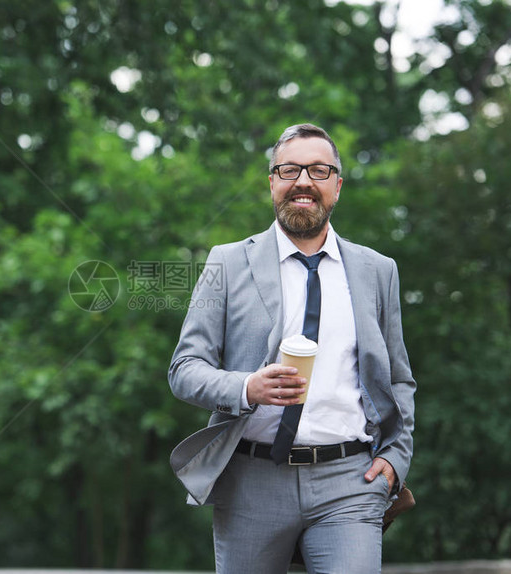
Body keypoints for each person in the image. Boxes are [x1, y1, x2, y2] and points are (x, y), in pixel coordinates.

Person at [168, 123, 415, 573]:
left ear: (337, 186)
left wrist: (396, 457)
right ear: (272, 183)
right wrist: (247, 387)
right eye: (290, 169)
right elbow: (184, 368)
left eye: (319, 170)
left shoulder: (378, 270)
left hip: (350, 480)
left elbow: (398, 376)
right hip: (250, 480)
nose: (304, 181)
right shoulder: (226, 261)